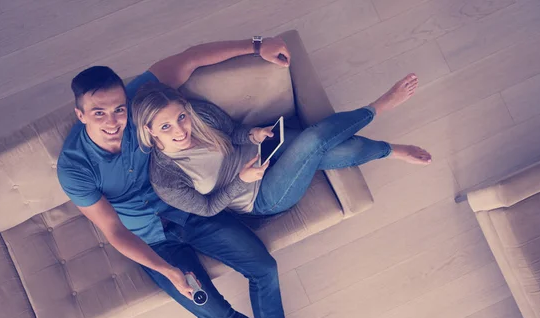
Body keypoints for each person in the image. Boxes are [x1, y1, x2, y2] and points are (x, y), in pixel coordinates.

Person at [56, 36, 310, 318]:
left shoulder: (138, 105)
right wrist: (166, 270)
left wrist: (257, 46)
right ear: (80, 114)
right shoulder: (74, 167)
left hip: (192, 209)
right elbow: (113, 230)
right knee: (216, 314)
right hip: (154, 242)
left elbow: (189, 59)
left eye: (118, 109)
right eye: (98, 113)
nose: (113, 121)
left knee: (264, 267)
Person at [130, 75, 432, 218]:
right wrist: (241, 181)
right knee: (313, 140)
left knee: (337, 151)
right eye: (166, 127)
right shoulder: (165, 178)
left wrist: (253, 135)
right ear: (149, 131)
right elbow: (207, 208)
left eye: (181, 117)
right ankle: (379, 107)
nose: (181, 130)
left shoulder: (198, 113)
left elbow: (234, 132)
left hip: (265, 151)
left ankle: (391, 150)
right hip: (261, 196)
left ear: (185, 108)